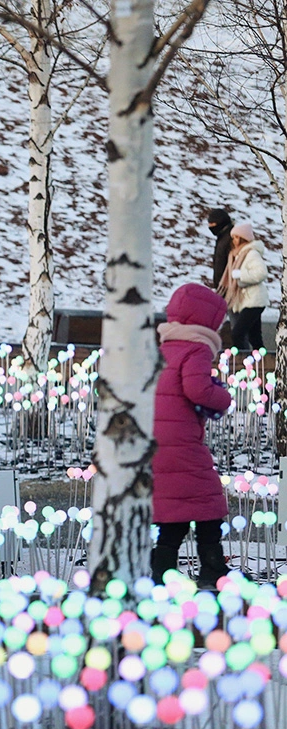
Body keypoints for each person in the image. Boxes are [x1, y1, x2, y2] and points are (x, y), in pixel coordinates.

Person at [151, 283, 233, 587]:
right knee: (207, 500)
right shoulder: (196, 348)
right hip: (182, 440)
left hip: (159, 441)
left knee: (178, 505)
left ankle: (162, 568)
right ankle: (212, 566)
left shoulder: (163, 348)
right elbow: (197, 389)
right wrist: (222, 397)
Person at [217, 221, 268, 350]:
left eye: (236, 237)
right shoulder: (237, 255)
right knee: (255, 338)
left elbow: (261, 273)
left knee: (238, 333)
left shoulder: (251, 254)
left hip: (255, 300)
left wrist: (240, 274)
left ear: (243, 238)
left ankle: (241, 362)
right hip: (248, 300)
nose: (233, 240)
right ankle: (264, 363)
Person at [207, 209, 234, 289]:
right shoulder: (222, 236)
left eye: (212, 223)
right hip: (222, 285)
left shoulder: (230, 238)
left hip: (227, 285)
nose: (210, 226)